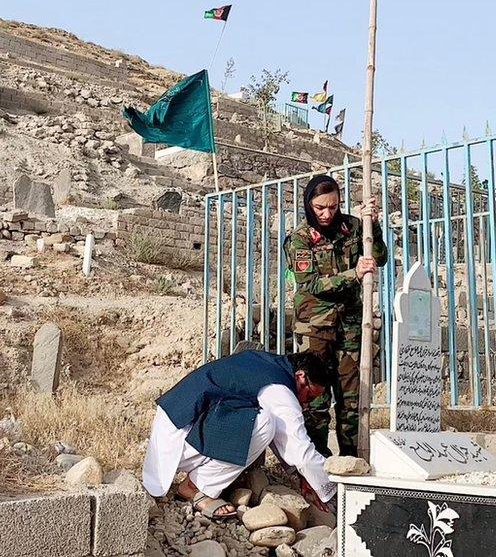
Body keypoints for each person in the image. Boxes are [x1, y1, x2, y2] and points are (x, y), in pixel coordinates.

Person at [141, 349, 335, 520]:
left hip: (179, 425)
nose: (306, 404)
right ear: (301, 377)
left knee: (267, 422)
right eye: (309, 396)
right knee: (264, 424)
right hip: (181, 437)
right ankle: (195, 487)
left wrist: (303, 477)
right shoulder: (279, 388)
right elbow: (299, 449)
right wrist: (333, 489)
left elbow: (283, 435)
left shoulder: (267, 363)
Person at [284, 174, 387, 458]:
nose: (327, 214)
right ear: (309, 205)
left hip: (350, 326)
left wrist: (373, 225)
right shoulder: (299, 239)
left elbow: (380, 256)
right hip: (314, 328)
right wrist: (352, 274)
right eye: (320, 208)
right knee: (316, 401)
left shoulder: (354, 227)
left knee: (351, 400)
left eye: (333, 207)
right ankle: (317, 466)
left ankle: (352, 463)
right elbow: (311, 284)